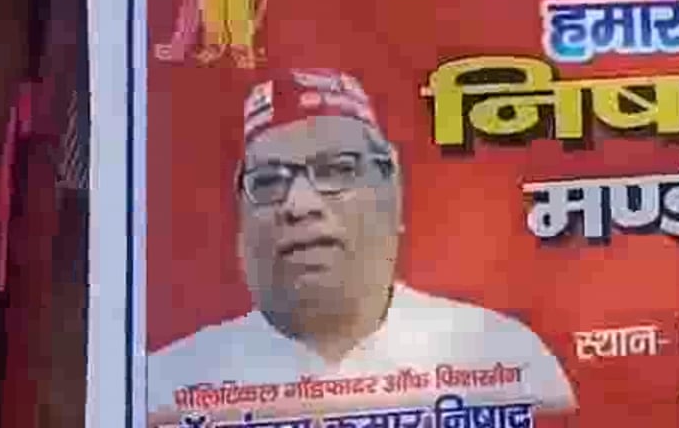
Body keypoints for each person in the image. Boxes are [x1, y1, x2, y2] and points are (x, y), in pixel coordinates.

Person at [147, 66, 577, 416]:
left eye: (337, 170)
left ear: (392, 195)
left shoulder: (504, 358)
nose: (298, 205)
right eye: (268, 181)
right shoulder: (169, 388)